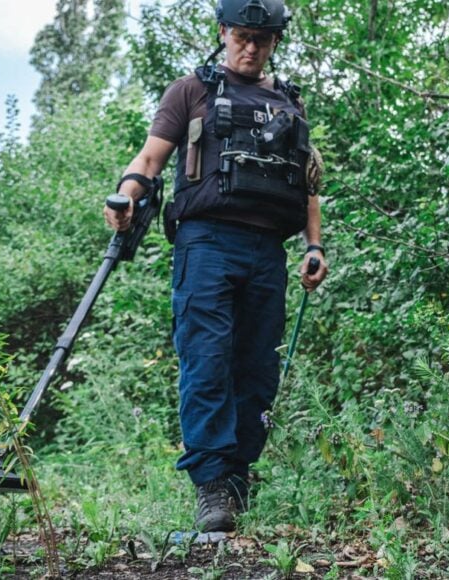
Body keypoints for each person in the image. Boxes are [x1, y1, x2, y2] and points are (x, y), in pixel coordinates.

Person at [103, 0, 327, 532]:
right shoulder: (192, 91)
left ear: (275, 41)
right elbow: (151, 159)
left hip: (268, 249)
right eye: (243, 36)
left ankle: (237, 477)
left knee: (257, 368)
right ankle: (210, 485)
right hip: (206, 243)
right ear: (224, 32)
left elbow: (310, 185)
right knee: (206, 360)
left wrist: (314, 247)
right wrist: (125, 194)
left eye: (263, 39)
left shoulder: (289, 101)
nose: (251, 47)